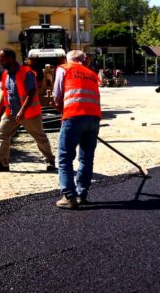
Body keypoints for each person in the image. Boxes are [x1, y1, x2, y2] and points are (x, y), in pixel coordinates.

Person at [0, 49, 56, 172]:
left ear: (10, 59)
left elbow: (31, 93)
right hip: (11, 113)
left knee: (40, 137)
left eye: (2, 59)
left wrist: (22, 111)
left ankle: (50, 161)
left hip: (29, 113)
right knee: (1, 134)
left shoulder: (26, 73)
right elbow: (6, 93)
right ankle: (3, 164)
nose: (0, 61)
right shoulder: (5, 74)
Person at [53, 50, 102, 209]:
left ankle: (69, 196)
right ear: (83, 60)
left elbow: (57, 95)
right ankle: (81, 194)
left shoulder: (64, 69)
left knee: (65, 158)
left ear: (69, 60)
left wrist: (64, 112)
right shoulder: (92, 73)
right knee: (86, 158)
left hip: (73, 118)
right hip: (93, 119)